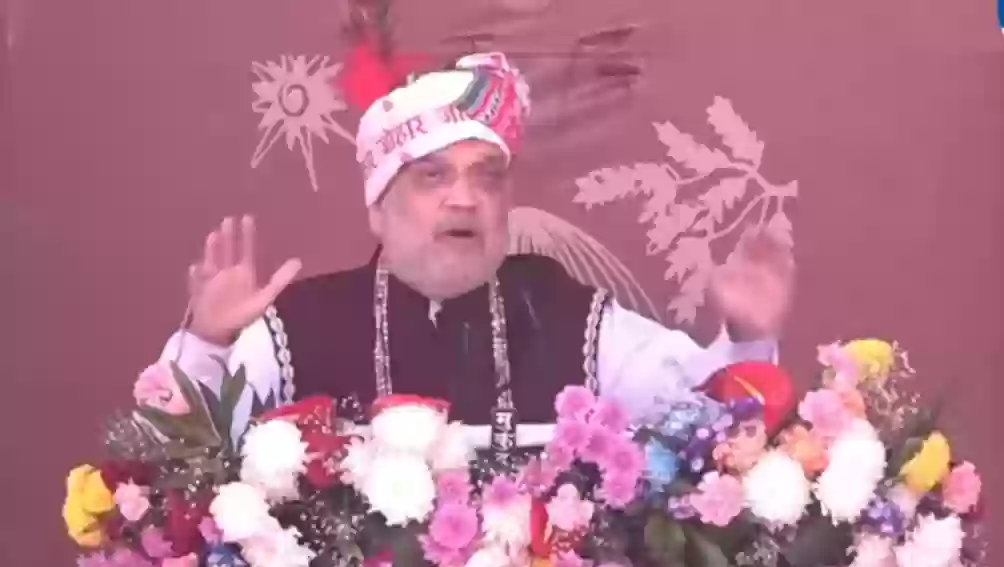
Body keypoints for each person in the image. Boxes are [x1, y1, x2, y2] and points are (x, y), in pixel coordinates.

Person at [159, 52, 794, 447]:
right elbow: (177, 466)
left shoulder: (567, 313)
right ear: (378, 207)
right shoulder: (297, 328)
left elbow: (703, 431)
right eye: (432, 177)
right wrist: (209, 343)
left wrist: (745, 339)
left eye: (487, 177)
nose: (465, 198)